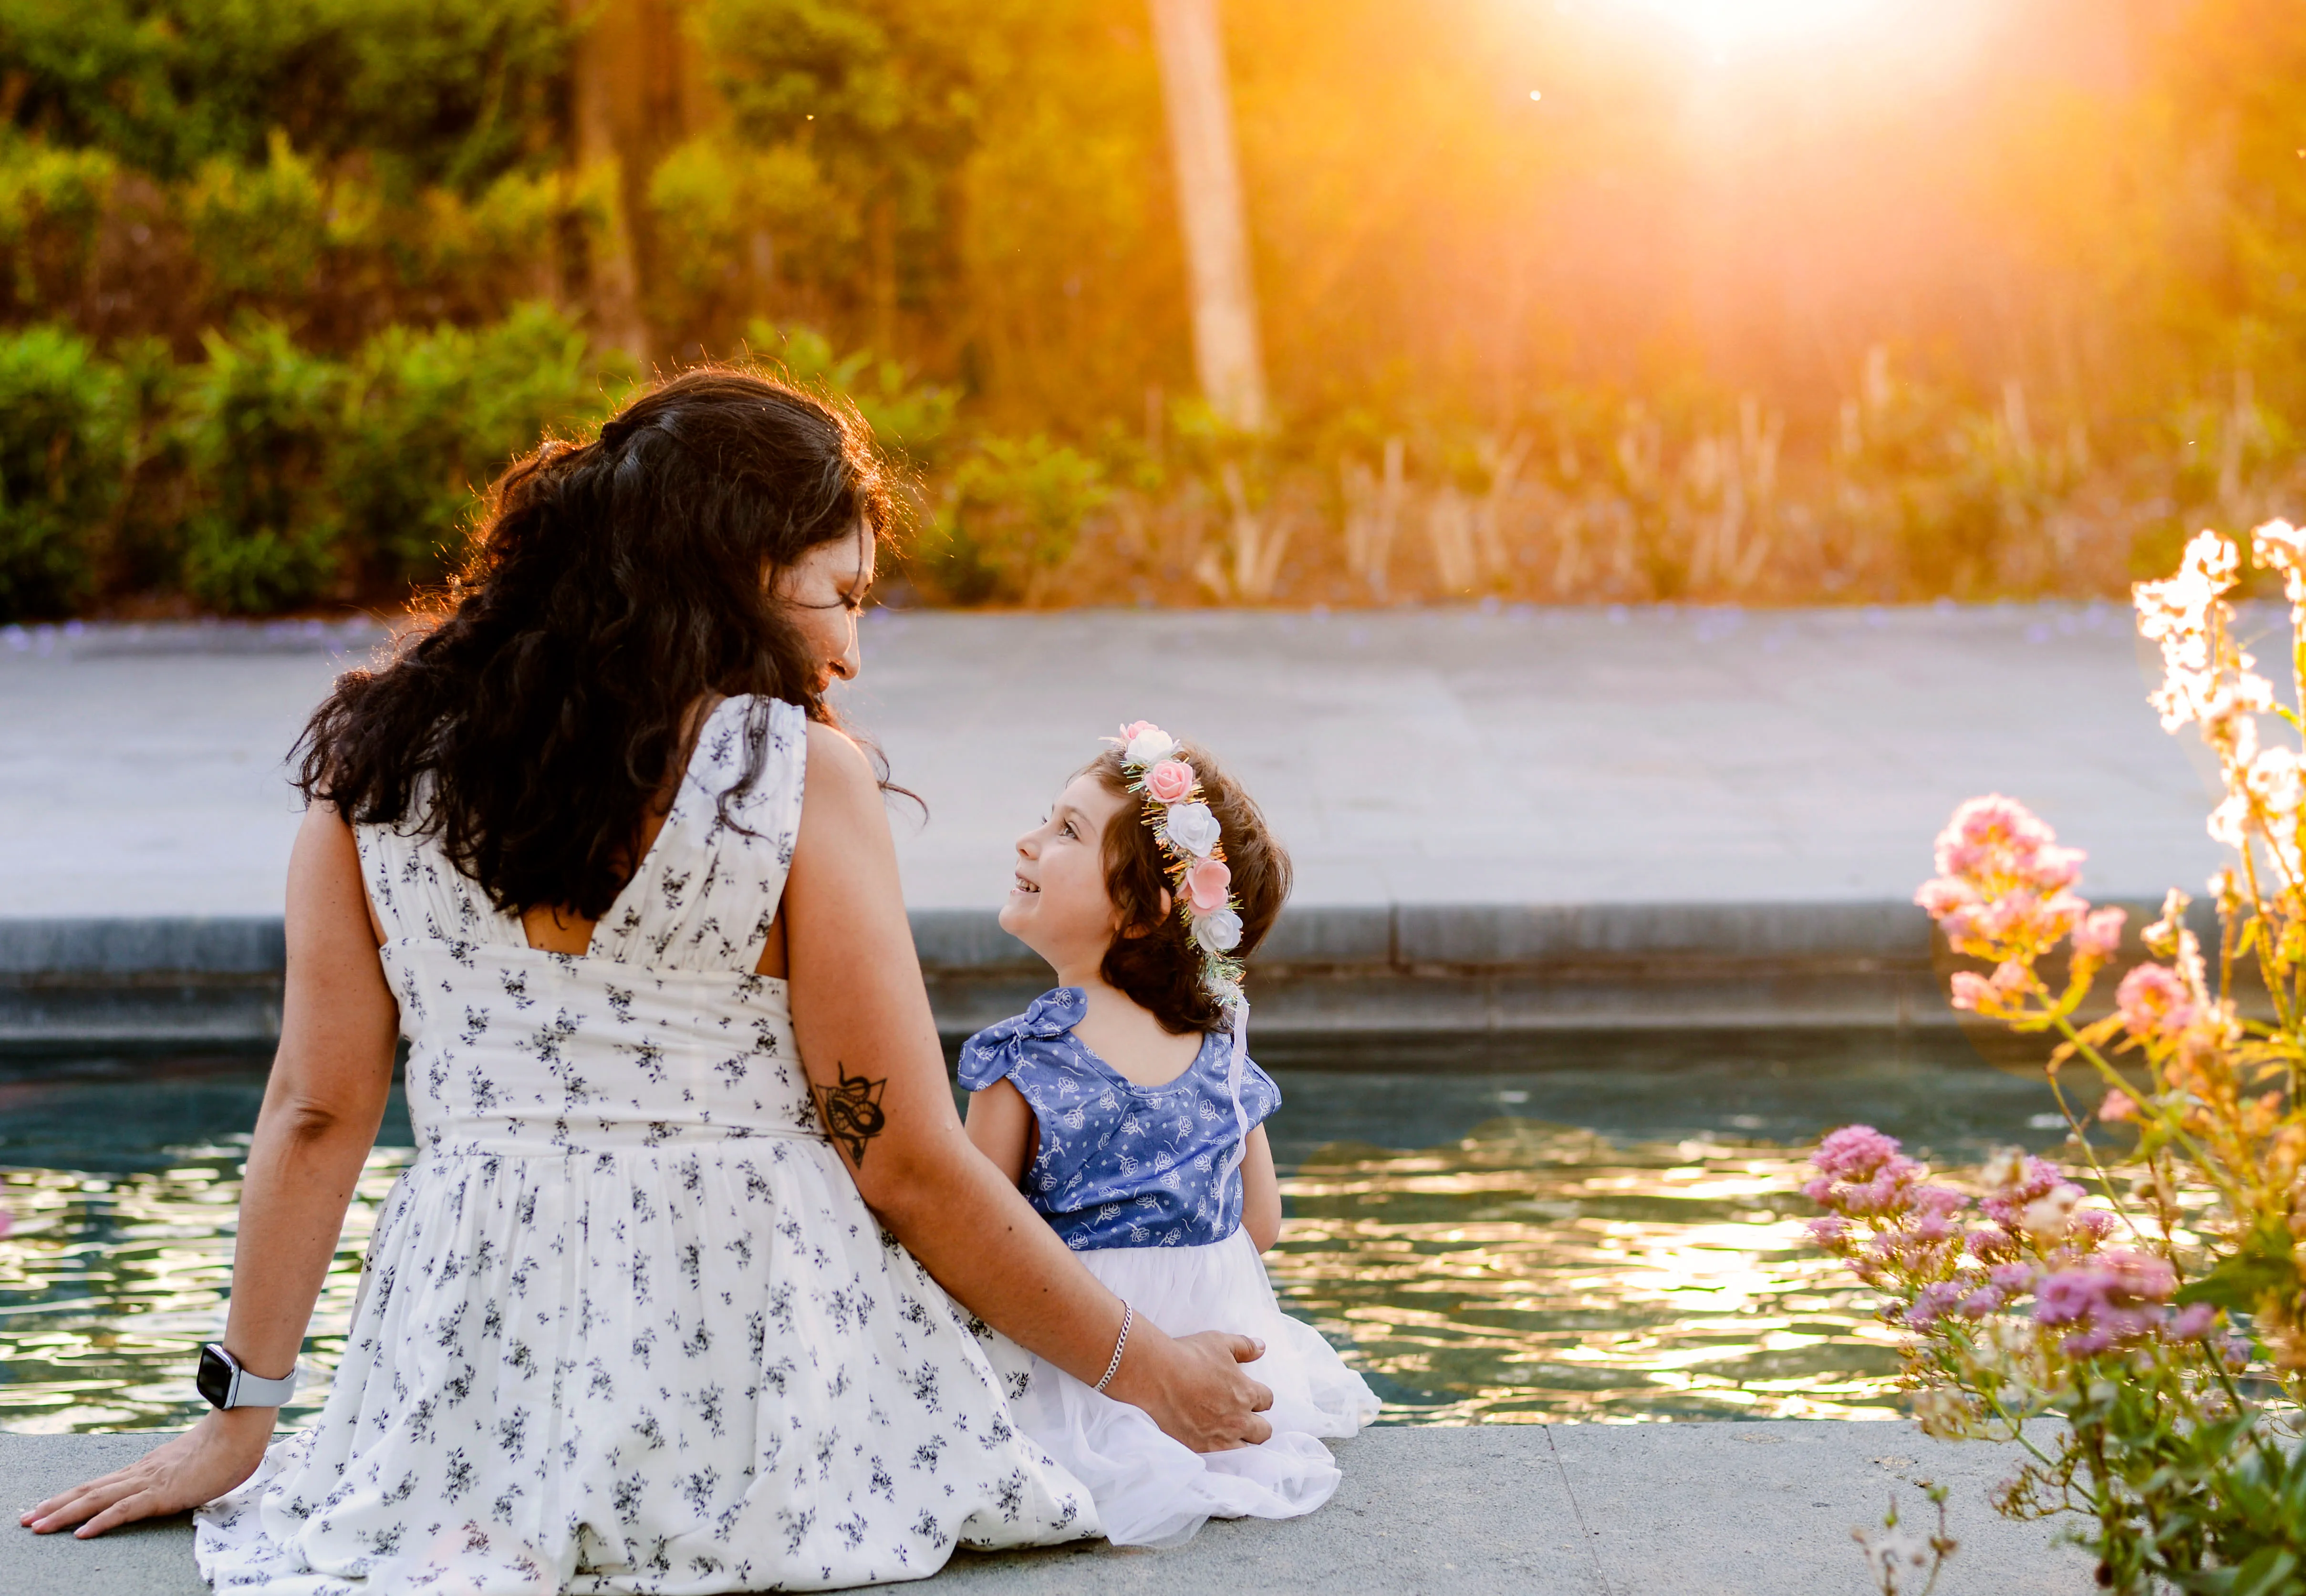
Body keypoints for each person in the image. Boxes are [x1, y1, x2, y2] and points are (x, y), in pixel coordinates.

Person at [20, 370, 1276, 1591]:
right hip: (760, 1378)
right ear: (738, 560)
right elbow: (898, 1158)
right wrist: (1153, 1371)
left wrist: (239, 1420)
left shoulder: (375, 756)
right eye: (839, 594)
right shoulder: (793, 775)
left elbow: (317, 1108)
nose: (849, 648)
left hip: (474, 1383)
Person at [960, 723, 1378, 1548]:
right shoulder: (1218, 1045)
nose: (1029, 839)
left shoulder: (1023, 1059)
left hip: (1077, 1365)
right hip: (1224, 1357)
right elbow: (1260, 1225)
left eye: (1066, 831)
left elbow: (974, 1246)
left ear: (1144, 909)